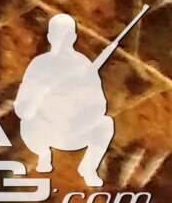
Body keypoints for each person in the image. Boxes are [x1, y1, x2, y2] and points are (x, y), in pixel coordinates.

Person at [14, 11, 117, 186]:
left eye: (66, 35)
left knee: (105, 124)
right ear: (50, 36)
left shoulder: (83, 65)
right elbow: (22, 106)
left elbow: (99, 105)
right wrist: (42, 94)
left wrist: (81, 96)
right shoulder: (40, 63)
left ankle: (89, 168)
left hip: (69, 129)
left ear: (73, 36)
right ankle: (23, 168)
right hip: (41, 128)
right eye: (58, 34)